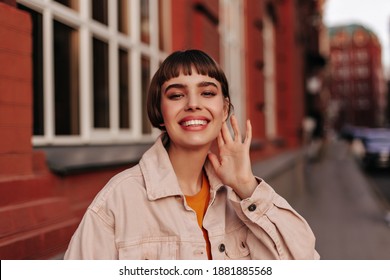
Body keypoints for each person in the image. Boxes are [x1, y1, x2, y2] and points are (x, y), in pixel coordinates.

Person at [64, 49, 319, 260]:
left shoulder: (239, 197)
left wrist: (247, 186)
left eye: (207, 93)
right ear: (159, 111)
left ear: (224, 109)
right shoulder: (118, 201)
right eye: (177, 95)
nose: (193, 104)